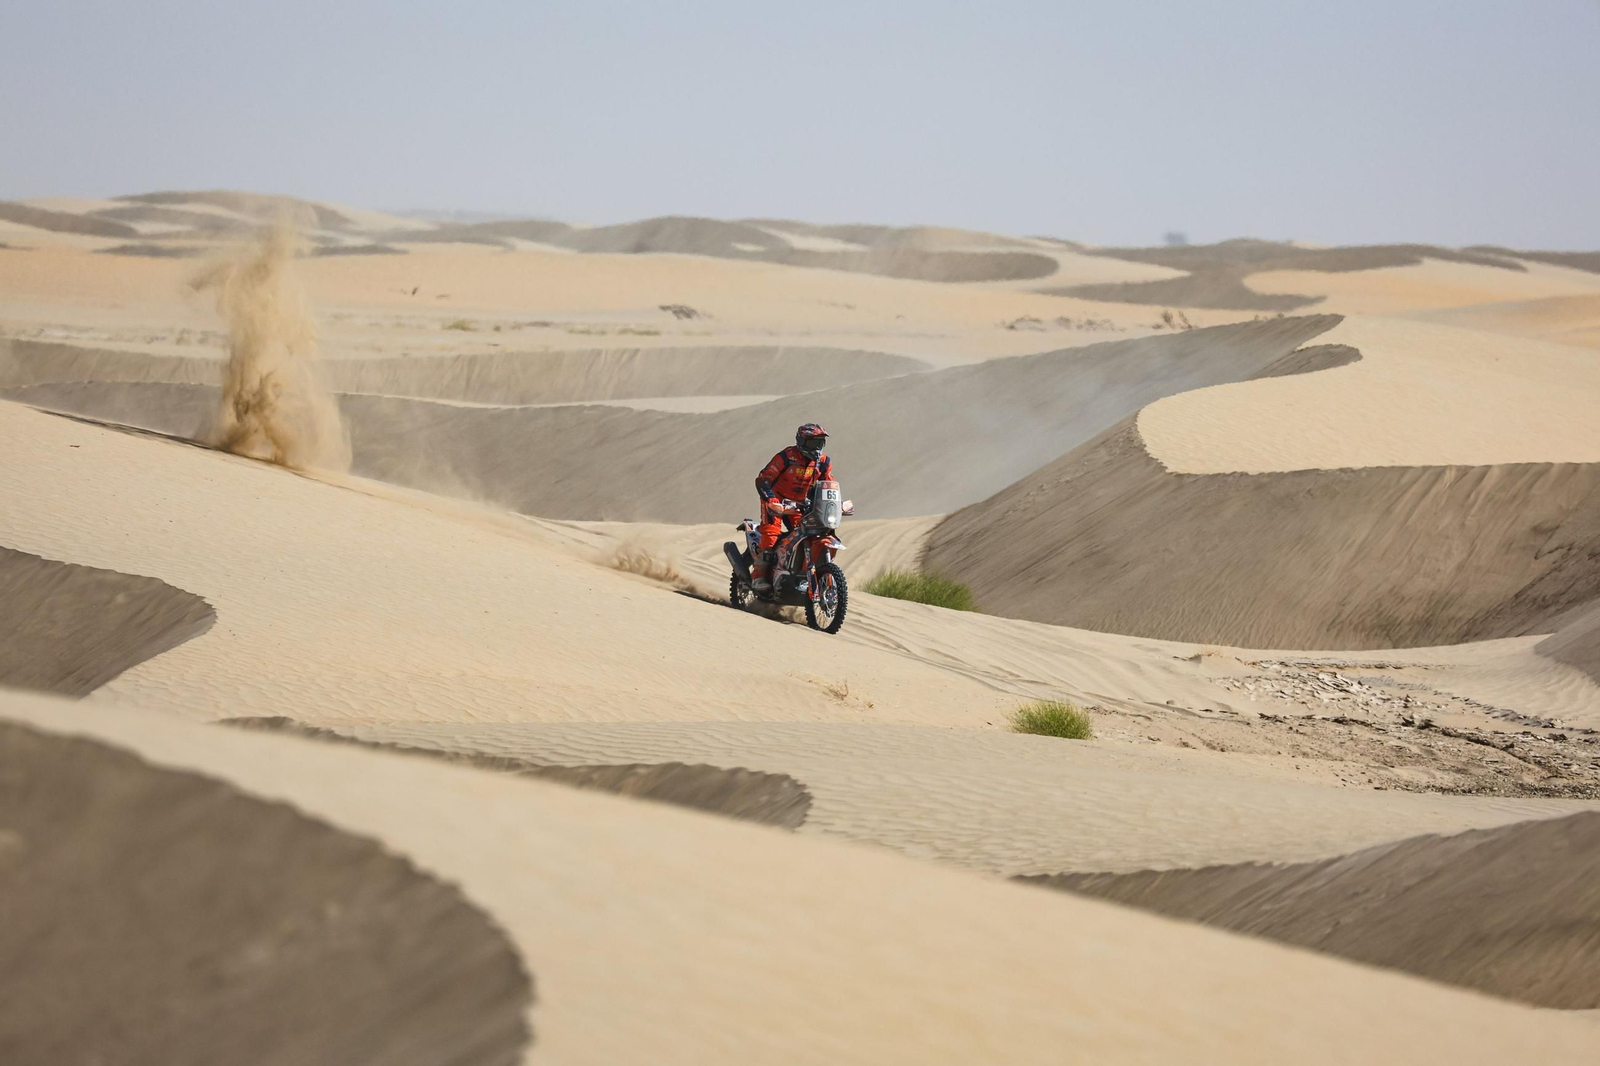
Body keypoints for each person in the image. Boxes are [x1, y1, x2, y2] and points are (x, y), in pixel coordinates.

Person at [752, 423, 834, 593]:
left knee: (808, 533)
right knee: (771, 534)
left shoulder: (823, 462)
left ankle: (798, 573)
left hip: (800, 504)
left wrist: (836, 504)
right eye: (813, 443)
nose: (817, 448)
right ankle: (759, 576)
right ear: (801, 442)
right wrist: (771, 500)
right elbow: (763, 479)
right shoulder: (786, 457)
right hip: (777, 501)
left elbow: (828, 485)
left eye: (820, 443)